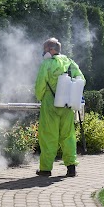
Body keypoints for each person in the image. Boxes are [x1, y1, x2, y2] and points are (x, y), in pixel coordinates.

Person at [35, 38, 85, 177]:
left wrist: (40, 97)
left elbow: (40, 85)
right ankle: (71, 167)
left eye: (45, 49)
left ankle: (45, 169)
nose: (43, 52)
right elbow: (81, 79)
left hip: (50, 104)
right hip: (67, 105)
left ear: (51, 50)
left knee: (48, 136)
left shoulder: (47, 64)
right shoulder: (70, 62)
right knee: (68, 136)